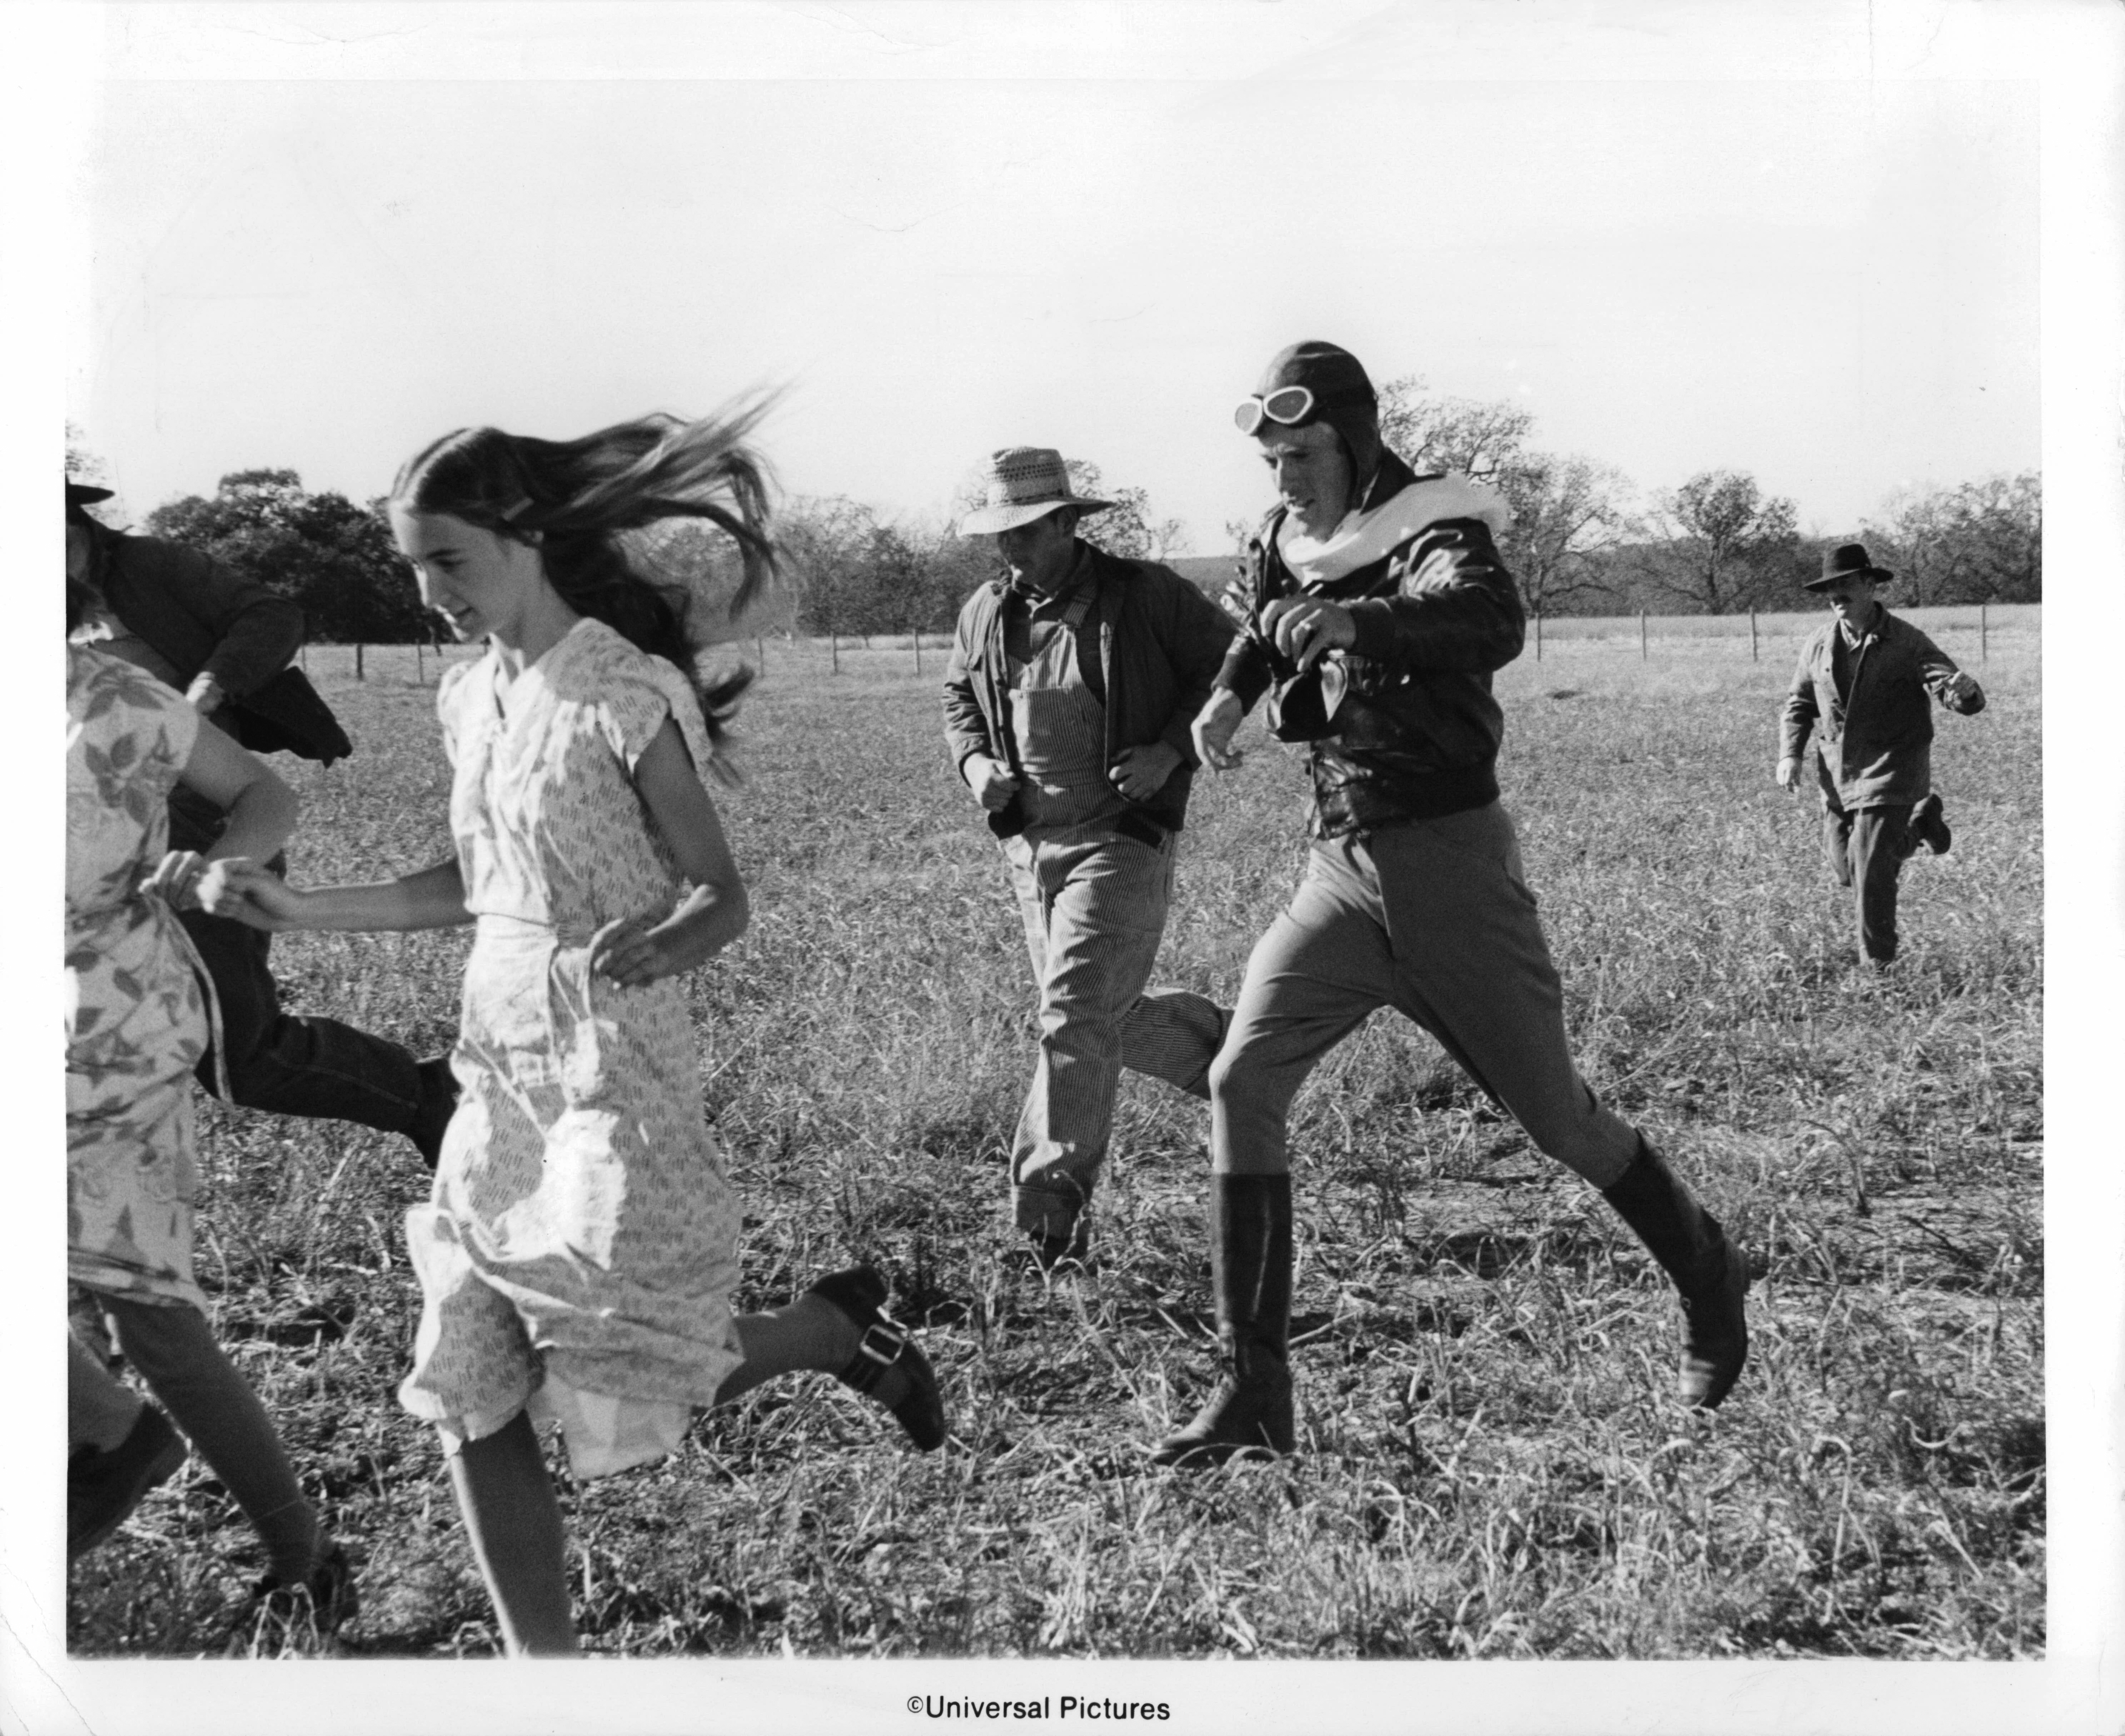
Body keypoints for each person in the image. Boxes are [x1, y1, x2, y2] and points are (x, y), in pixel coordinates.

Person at [213, 409, 947, 1656]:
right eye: (412, 564)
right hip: (494, 1056)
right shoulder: (465, 693)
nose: (427, 589)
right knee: (473, 1372)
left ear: (526, 537)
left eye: (447, 558)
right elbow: (472, 882)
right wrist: (305, 904)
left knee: (618, 1359)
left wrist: (669, 934)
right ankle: (538, 1673)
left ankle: (832, 1331)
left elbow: (718, 886)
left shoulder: (614, 679)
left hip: (612, 1053)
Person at [1158, 340, 1752, 1466]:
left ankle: (1707, 1271)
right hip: (1336, 865)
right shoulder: (1284, 534)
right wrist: (1222, 701)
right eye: (1272, 460)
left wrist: (1360, 624)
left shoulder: (1436, 524)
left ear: (1352, 437)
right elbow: (1261, 618)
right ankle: (1254, 1392)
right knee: (1241, 1078)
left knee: (1558, 1122)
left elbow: (1484, 619)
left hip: (1449, 865)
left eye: (1301, 454)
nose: (1284, 479)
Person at [67, 594, 352, 1622]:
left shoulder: (115, 698)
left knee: (147, 1313)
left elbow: (263, 791)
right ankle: (120, 1444)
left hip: (109, 1020)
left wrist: (227, 859)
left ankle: (127, 1444)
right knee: (137, 1315)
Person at [66, 482, 458, 1165]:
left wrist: (216, 684)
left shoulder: (153, 566)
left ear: (74, 517)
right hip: (101, 849)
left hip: (203, 817)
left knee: (236, 1055)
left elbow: (271, 615)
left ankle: (430, 1094)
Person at [943, 447, 1236, 1268]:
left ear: (1069, 524)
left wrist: (1171, 750)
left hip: (1120, 837)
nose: (1012, 550)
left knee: (1071, 1016)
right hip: (1029, 850)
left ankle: (1045, 1222)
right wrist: (975, 767)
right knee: (1093, 1015)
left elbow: (1229, 665)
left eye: (1028, 533)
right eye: (1001, 535)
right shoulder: (984, 611)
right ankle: (1231, 1056)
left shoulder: (1144, 597)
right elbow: (960, 699)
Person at [1777, 541, 1985, 965]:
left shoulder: (1906, 641)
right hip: (1837, 773)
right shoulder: (1817, 645)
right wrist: (1790, 754)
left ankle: (1878, 970)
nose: (1836, 596)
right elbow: (1798, 704)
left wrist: (1962, 694)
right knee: (1845, 869)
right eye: (1829, 590)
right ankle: (1920, 825)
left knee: (1871, 871)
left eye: (1845, 585)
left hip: (1891, 768)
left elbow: (1946, 683)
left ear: (1871, 585)